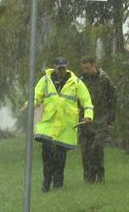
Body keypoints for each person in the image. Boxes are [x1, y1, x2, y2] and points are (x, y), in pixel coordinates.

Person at [22, 57, 94, 192]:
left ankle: (58, 182)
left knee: (61, 155)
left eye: (63, 68)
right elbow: (36, 95)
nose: (61, 70)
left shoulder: (76, 82)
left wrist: (88, 115)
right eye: (59, 68)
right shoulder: (45, 80)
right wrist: (29, 104)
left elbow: (86, 100)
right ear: (54, 67)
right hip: (49, 122)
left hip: (66, 124)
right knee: (47, 152)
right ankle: (46, 180)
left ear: (67, 67)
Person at [78, 56, 116, 184]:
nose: (86, 71)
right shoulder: (81, 81)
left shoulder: (104, 80)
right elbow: (78, 101)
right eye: (84, 68)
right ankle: (88, 178)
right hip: (86, 121)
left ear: (94, 65)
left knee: (97, 147)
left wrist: (111, 120)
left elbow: (112, 100)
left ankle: (100, 176)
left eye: (87, 68)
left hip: (101, 120)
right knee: (86, 151)